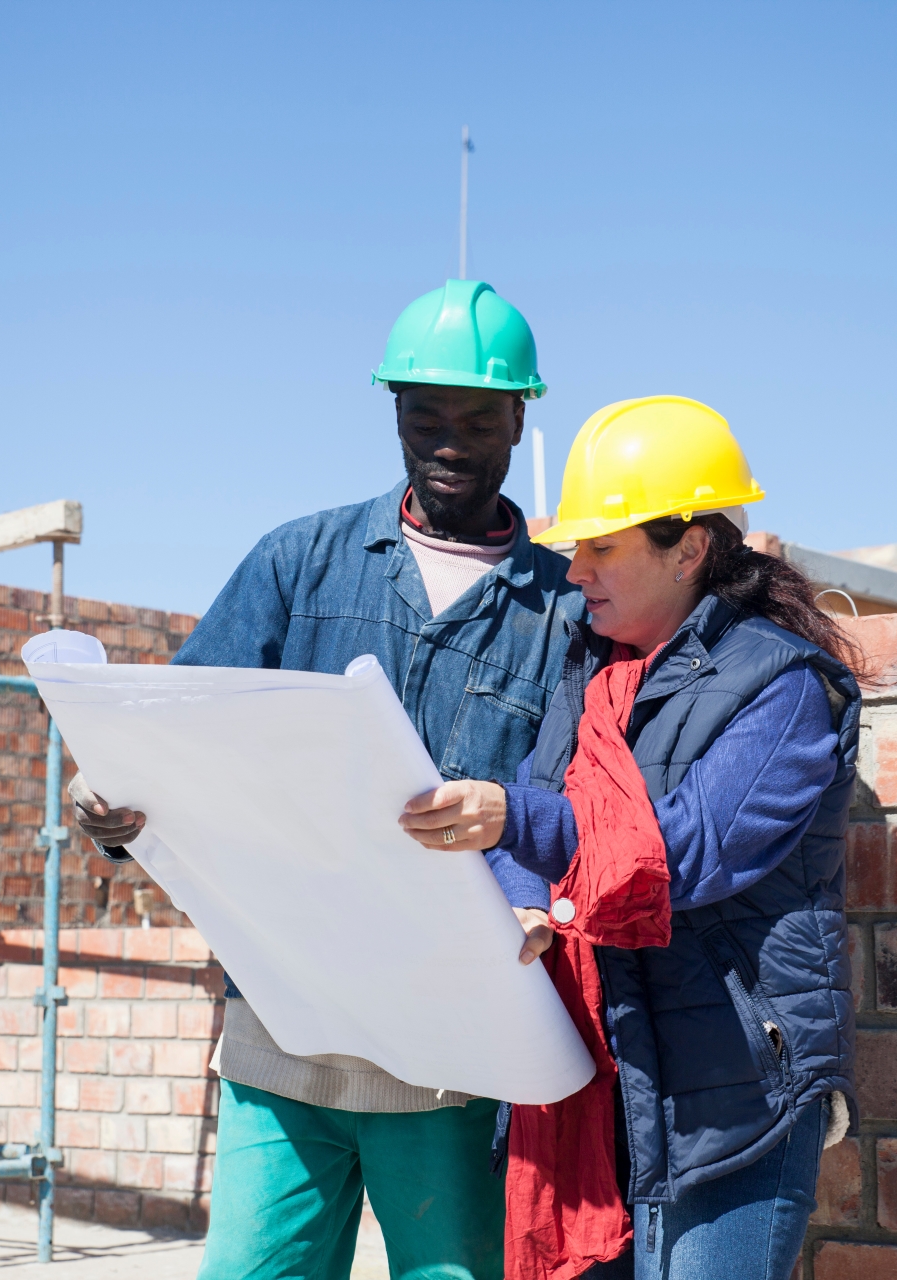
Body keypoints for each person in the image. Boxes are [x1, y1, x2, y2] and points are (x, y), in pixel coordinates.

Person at [72, 279, 581, 1280]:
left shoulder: (563, 612)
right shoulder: (300, 563)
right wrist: (111, 799)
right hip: (284, 1034)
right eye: (423, 412)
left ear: (520, 418)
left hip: (453, 1056)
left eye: (476, 416)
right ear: (392, 409)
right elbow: (175, 741)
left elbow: (566, 801)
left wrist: (534, 899)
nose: (447, 438)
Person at [397, 396, 864, 1280]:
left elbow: (683, 851)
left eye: (600, 546)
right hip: (602, 1078)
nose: (574, 571)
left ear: (688, 548)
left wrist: (515, 820)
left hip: (736, 1099)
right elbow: (529, 831)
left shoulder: (786, 689)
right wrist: (527, 901)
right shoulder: (590, 672)